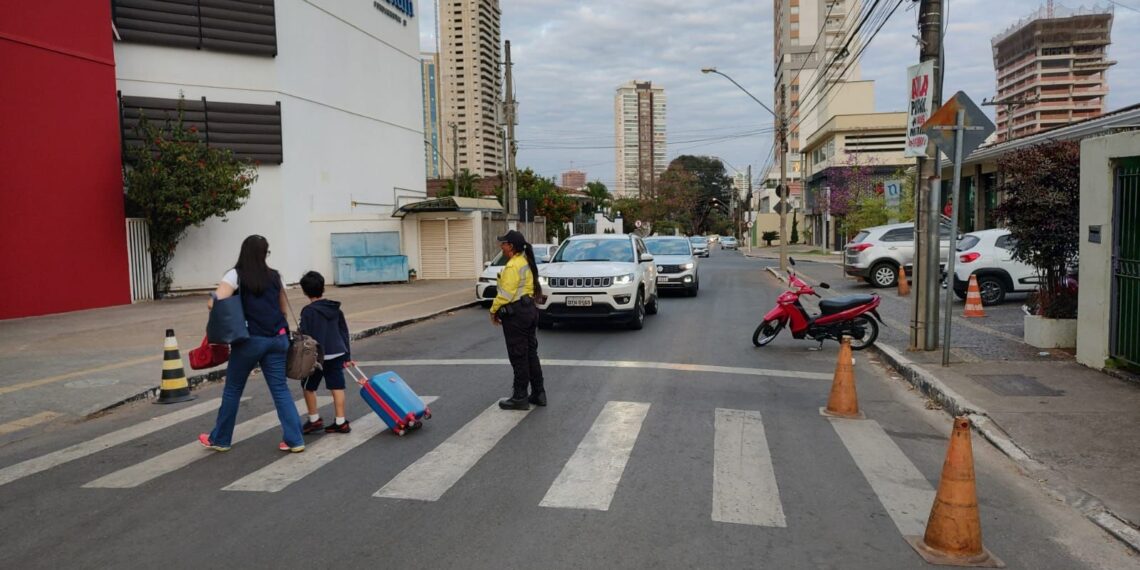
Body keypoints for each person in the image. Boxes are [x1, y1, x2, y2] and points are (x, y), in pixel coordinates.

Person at [199, 235, 306, 453]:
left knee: (233, 389)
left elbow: (214, 302)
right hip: (278, 338)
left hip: (250, 340)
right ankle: (295, 440)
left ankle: (220, 438)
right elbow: (283, 310)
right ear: (264, 253)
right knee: (280, 390)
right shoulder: (276, 276)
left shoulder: (235, 275)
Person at [490, 230, 546, 410]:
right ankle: (538, 393)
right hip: (529, 311)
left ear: (511, 247)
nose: (501, 246)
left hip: (517, 315)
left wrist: (493, 311)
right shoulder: (525, 262)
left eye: (504, 244)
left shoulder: (514, 265)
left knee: (518, 355)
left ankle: (520, 396)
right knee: (530, 354)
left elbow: (505, 294)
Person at [297, 271, 354, 434]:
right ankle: (341, 421)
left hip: (317, 357)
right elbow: (344, 331)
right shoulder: (335, 308)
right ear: (323, 288)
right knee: (337, 386)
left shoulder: (307, 311)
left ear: (304, 291)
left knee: (308, 386)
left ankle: (314, 419)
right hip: (337, 353)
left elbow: (304, 336)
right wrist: (347, 355)